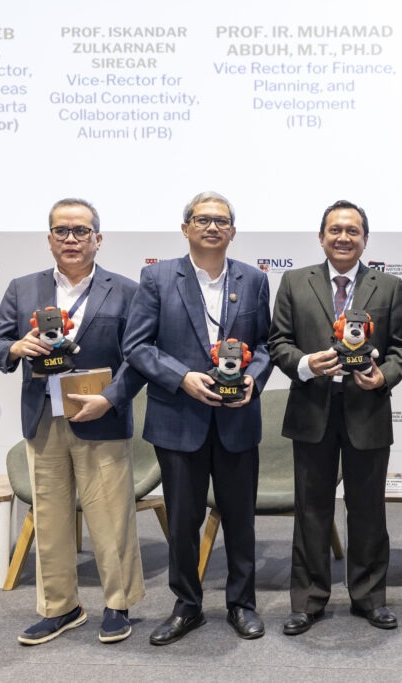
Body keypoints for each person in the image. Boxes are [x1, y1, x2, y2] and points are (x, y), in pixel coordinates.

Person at [0, 198, 146, 645]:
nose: (71, 239)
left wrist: (110, 399)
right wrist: (16, 348)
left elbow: (139, 359)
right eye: (61, 231)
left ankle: (118, 604)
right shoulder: (22, 288)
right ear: (49, 238)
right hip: (43, 420)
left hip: (101, 417)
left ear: (98, 238)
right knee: (50, 519)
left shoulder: (126, 290)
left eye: (80, 231)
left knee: (111, 518)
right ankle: (61, 608)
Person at [122, 191, 272, 645]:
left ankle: (241, 603)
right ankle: (187, 605)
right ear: (186, 227)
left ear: (232, 231)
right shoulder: (157, 277)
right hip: (178, 419)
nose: (212, 227)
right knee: (183, 522)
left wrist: (253, 378)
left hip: (237, 420)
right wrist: (182, 377)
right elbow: (137, 346)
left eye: (221, 220)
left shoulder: (253, 279)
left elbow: (265, 345)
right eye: (202, 219)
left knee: (240, 520)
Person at [268, 200, 402, 635]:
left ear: (365, 239)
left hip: (367, 411)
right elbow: (278, 343)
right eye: (335, 230)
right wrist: (307, 364)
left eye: (353, 231)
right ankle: (307, 601)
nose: (343, 237)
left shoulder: (388, 286)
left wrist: (382, 376)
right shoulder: (295, 281)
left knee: (367, 510)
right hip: (312, 410)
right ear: (321, 237)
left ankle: (369, 597)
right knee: (311, 510)